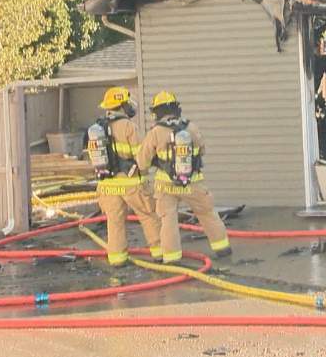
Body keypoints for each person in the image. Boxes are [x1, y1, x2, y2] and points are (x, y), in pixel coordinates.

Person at [136, 91, 232, 263]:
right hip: (193, 182)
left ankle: (172, 257)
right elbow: (202, 150)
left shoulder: (155, 132)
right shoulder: (191, 128)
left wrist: (143, 175)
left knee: (168, 220)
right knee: (207, 213)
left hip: (165, 185)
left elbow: (143, 160)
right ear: (175, 108)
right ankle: (222, 248)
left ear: (157, 111)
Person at [87, 87, 163, 266]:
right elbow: (140, 155)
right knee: (149, 215)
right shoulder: (128, 126)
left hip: (107, 186)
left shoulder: (98, 128)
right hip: (131, 183)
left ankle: (117, 260)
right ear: (122, 105)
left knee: (114, 222)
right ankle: (160, 254)